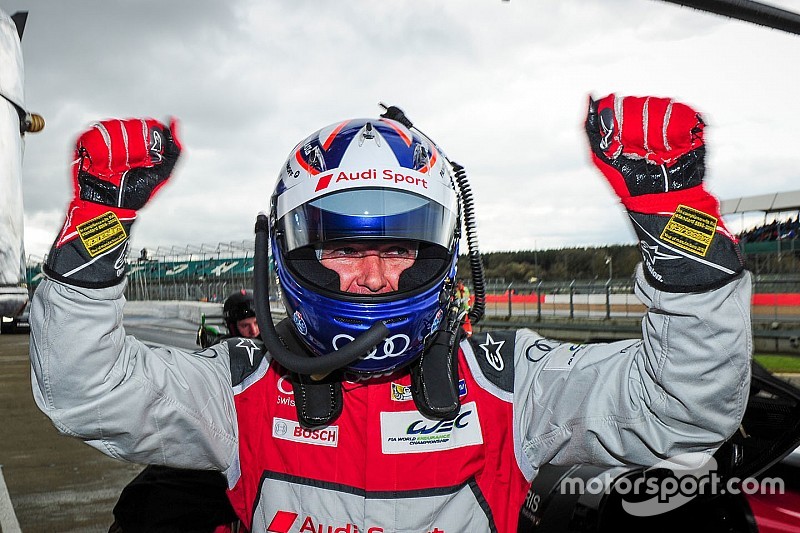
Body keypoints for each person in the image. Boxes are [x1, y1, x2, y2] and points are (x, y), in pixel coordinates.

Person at [30, 95, 752, 532]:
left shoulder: (508, 383)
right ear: (293, 249)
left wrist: (680, 231)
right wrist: (98, 229)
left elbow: (682, 408)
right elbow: (86, 388)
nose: (375, 276)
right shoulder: (239, 388)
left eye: (402, 246)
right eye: (345, 247)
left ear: (440, 246)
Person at [110, 289, 261, 532]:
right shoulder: (220, 365)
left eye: (256, 324)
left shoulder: (274, 360)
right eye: (246, 325)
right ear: (233, 327)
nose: (253, 331)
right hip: (215, 464)